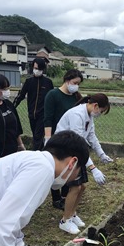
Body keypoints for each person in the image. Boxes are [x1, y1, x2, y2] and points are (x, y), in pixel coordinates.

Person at [54, 93, 113, 234]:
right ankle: (65, 220)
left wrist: (102, 154)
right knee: (75, 187)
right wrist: (93, 168)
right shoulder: (77, 115)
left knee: (82, 187)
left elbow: (92, 136)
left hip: (75, 152)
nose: (100, 113)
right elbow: (77, 144)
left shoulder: (88, 115)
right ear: (96, 106)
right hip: (64, 152)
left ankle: (72, 214)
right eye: (102, 111)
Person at [43, 69, 83, 210]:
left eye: (78, 84)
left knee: (69, 167)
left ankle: (66, 196)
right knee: (56, 167)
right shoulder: (53, 95)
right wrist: (48, 138)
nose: (76, 86)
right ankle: (56, 198)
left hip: (70, 139)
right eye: (74, 83)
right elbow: (47, 118)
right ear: (67, 80)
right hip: (56, 138)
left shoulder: (76, 97)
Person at [13, 58, 54, 150]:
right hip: (31, 113)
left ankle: (34, 153)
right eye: (35, 68)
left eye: (38, 69)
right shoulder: (29, 81)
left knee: (38, 136)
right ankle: (41, 151)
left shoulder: (48, 82)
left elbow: (52, 98)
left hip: (43, 114)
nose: (36, 70)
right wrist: (12, 107)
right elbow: (21, 95)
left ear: (42, 69)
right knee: (36, 135)